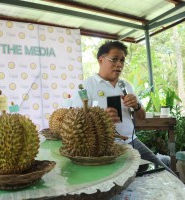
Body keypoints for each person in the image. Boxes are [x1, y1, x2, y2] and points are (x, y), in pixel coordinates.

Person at [73, 40, 176, 175]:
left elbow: (142, 117)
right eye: (114, 59)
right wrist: (100, 118)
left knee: (165, 173)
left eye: (122, 60)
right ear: (101, 60)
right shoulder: (88, 85)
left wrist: (137, 106)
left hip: (132, 141)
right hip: (104, 148)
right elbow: (76, 122)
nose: (119, 64)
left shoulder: (126, 85)